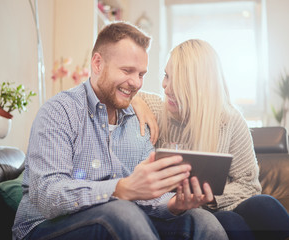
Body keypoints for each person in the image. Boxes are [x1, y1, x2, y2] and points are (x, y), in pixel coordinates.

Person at [12, 22, 229, 240]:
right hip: (45, 228)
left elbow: (144, 198)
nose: (135, 83)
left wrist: (175, 204)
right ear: (97, 64)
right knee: (123, 212)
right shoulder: (59, 112)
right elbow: (48, 194)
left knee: (200, 220)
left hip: (118, 220)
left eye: (141, 74)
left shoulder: (137, 121)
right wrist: (119, 189)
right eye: (127, 71)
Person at [132, 39, 289, 240]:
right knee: (230, 222)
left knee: (265, 203)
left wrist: (210, 198)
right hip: (179, 212)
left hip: (221, 204)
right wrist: (137, 100)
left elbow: (249, 185)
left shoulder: (229, 120)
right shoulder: (155, 108)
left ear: (199, 86)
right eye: (166, 75)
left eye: (176, 80)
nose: (165, 86)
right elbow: (118, 90)